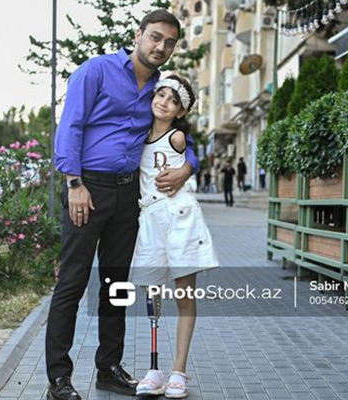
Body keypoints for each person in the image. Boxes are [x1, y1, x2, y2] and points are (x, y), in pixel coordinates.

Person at [47, 10, 200, 400]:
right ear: (138, 34)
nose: (161, 47)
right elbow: (70, 126)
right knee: (72, 282)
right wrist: (74, 183)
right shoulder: (96, 71)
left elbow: (182, 138)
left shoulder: (161, 90)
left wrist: (187, 169)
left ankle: (109, 368)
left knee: (115, 285)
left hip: (129, 194)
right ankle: (59, 378)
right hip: (88, 187)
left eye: (169, 42)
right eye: (155, 37)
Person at [130, 75, 218, 398]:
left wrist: (187, 168)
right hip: (151, 221)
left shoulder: (178, 137)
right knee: (152, 296)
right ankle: (154, 370)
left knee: (184, 296)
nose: (164, 102)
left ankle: (178, 371)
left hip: (179, 218)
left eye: (173, 100)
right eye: (161, 95)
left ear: (181, 111)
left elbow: (192, 152)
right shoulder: (139, 134)